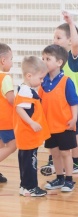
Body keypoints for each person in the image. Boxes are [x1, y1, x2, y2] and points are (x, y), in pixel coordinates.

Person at [40, 11, 78, 176]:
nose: (54, 41)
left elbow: (76, 44)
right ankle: (54, 162)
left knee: (73, 133)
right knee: (54, 133)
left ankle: (75, 161)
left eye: (59, 38)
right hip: (55, 106)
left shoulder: (72, 58)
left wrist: (71, 23)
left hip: (71, 104)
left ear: (70, 40)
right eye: (54, 37)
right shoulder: (52, 61)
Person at [39, 44, 78, 192]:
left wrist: (74, 118)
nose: (44, 61)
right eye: (42, 58)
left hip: (64, 125)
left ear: (59, 62)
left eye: (48, 59)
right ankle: (59, 178)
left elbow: (74, 102)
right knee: (54, 154)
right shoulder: (42, 82)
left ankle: (69, 180)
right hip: (49, 126)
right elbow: (39, 102)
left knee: (65, 153)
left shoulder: (66, 81)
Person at [14, 56, 50, 197]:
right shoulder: (26, 91)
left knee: (25, 160)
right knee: (30, 162)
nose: (42, 82)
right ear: (29, 76)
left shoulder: (25, 89)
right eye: (40, 78)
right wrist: (32, 122)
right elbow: (19, 109)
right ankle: (31, 187)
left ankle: (24, 186)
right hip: (27, 134)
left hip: (25, 135)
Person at [0, 43, 16, 183]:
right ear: (3, 61)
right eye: (11, 59)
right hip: (5, 120)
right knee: (13, 145)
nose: (12, 62)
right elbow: (11, 99)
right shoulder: (5, 77)